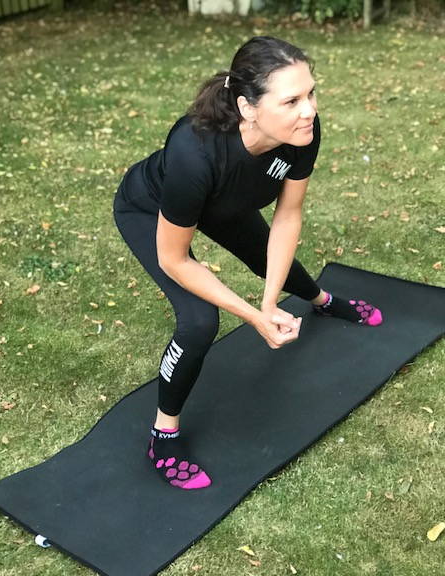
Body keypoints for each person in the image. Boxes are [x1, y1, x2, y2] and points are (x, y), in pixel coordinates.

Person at [113, 36, 382, 491]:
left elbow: (288, 216)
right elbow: (174, 260)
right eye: (292, 100)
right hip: (150, 209)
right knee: (199, 321)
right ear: (248, 107)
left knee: (271, 262)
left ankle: (320, 299)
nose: (309, 110)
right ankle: (163, 435)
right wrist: (255, 315)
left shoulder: (301, 134)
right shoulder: (193, 151)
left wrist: (272, 299)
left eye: (311, 93)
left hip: (227, 204)